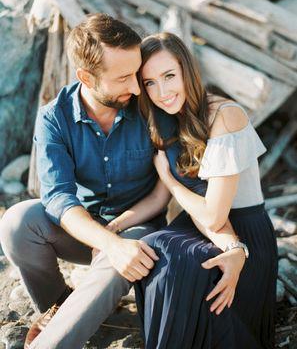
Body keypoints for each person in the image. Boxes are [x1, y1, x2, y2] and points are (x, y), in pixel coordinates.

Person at [0, 15, 245, 349]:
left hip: (138, 227)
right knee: (17, 222)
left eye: (136, 73)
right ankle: (60, 303)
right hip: (84, 231)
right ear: (86, 77)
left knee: (128, 255)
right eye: (124, 78)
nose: (136, 86)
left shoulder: (150, 107)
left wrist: (233, 246)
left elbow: (189, 185)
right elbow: (58, 199)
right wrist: (107, 241)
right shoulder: (53, 119)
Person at [112, 32, 278, 348]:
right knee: (153, 248)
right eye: (150, 83)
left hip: (243, 231)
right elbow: (159, 198)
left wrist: (172, 181)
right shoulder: (167, 118)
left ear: (187, 69)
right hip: (197, 224)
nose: (162, 92)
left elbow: (215, 216)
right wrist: (112, 228)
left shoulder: (224, 115)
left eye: (169, 76)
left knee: (170, 253)